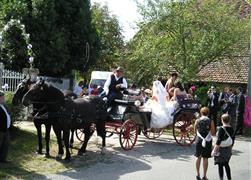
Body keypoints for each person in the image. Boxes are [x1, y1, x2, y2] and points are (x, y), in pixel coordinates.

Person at [194, 107, 215, 180]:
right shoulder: (210, 121)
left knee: (198, 157)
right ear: (208, 113)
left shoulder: (197, 120)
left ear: (201, 113)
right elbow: (213, 133)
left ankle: (197, 173)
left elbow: (195, 131)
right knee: (205, 158)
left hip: (199, 140)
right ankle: (204, 176)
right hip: (208, 140)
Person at [213, 114, 235, 180]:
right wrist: (231, 150)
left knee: (220, 165)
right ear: (229, 121)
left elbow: (218, 141)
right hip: (228, 149)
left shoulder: (221, 129)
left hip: (221, 149)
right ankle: (229, 178)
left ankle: (221, 178)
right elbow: (233, 141)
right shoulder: (232, 129)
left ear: (222, 120)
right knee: (226, 164)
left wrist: (214, 149)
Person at [0, 91, 11, 163]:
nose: (4, 98)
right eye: (3, 97)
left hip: (5, 129)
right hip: (1, 130)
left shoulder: (2, 106)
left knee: (5, 145)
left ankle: (2, 159)